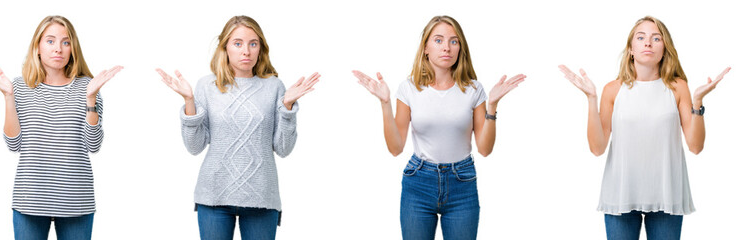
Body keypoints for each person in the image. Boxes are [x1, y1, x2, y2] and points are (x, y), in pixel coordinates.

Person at [352, 15, 525, 240]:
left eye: (454, 41)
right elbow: (395, 148)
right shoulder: (409, 89)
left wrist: (492, 105)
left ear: (460, 47)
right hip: (418, 182)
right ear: (426, 48)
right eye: (439, 40)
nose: (447, 48)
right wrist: (385, 103)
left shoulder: (474, 90)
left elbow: (484, 149)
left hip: (462, 182)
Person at [559, 16, 730, 240]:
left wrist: (697, 103)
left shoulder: (678, 87)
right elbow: (597, 148)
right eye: (641, 37)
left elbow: (696, 146)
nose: (647, 43)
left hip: (666, 196)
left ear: (664, 48)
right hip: (621, 194)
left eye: (655, 38)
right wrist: (592, 99)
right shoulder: (613, 89)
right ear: (631, 48)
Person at [156, 15, 319, 240]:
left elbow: (283, 149)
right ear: (225, 47)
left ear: (261, 48)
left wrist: (287, 107)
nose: (246, 51)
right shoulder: (207, 86)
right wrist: (189, 101)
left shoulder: (274, 86)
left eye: (253, 43)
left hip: (261, 197)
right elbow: (194, 147)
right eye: (238, 43)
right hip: (214, 196)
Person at [0, 15, 122, 240]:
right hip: (31, 199)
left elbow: (93, 145)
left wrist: (90, 99)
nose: (58, 49)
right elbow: (14, 144)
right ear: (37, 47)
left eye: (65, 42)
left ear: (73, 48)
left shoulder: (88, 87)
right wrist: (8, 97)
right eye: (50, 41)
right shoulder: (19, 87)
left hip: (75, 200)